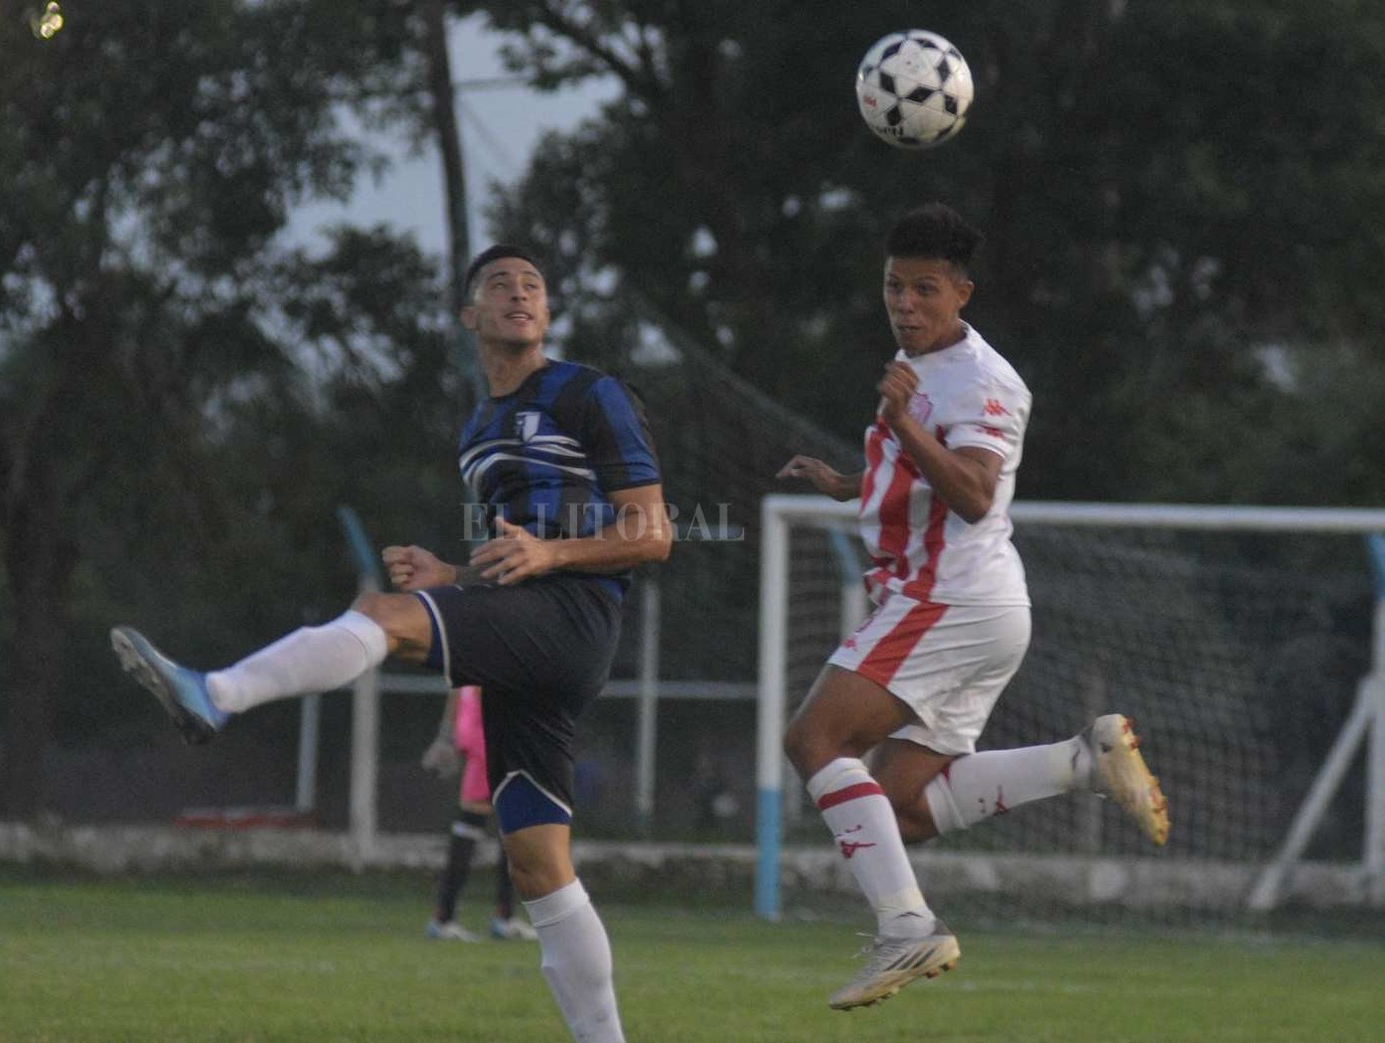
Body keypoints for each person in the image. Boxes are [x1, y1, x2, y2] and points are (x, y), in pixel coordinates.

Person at [111, 243, 671, 1043]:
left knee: (383, 611)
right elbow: (516, 547)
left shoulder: (589, 392)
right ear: (468, 316)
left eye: (533, 286)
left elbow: (651, 534)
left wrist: (549, 555)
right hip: (529, 632)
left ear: (547, 312)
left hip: (574, 616)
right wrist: (450, 569)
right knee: (538, 867)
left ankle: (218, 693)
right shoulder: (477, 429)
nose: (518, 294)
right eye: (498, 285)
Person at [776, 203, 1169, 1012]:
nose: (905, 303)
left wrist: (895, 423)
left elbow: (974, 493)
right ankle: (1078, 763)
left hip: (947, 599)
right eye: (893, 286)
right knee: (902, 809)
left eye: (924, 289)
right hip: (969, 605)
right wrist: (849, 481)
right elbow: (916, 466)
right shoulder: (920, 355)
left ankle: (905, 926)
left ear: (962, 292)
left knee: (813, 737)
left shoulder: (985, 381)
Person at [420, 685, 538, 942]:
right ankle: (450, 918)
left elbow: (457, 685)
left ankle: (491, 915)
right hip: (489, 737)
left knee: (494, 825)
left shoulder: (471, 650)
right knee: (507, 824)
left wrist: (446, 734)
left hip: (479, 733)